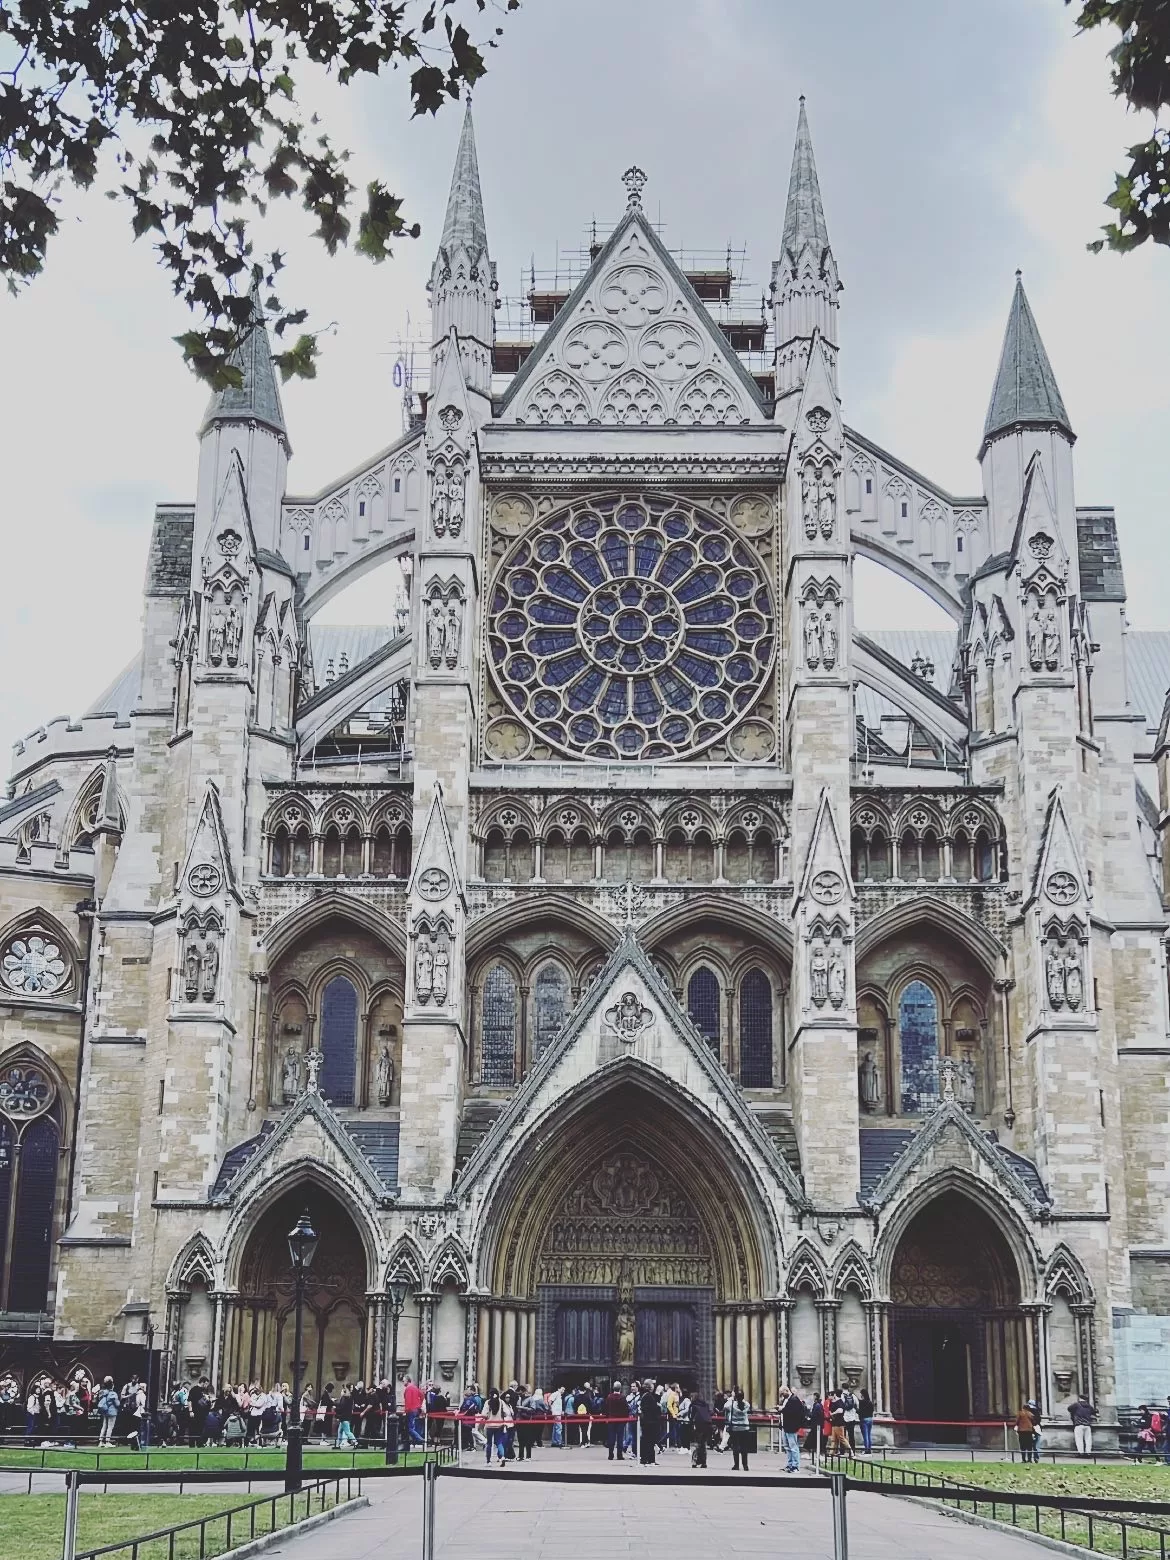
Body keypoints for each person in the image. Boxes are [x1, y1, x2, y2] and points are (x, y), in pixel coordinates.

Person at [477, 1389, 512, 1466]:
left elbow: (484, 1414)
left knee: (489, 1444)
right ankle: (502, 1457)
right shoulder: (501, 1402)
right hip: (499, 1425)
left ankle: (488, 1461)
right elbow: (507, 1413)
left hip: (489, 1425)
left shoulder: (488, 1402)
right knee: (499, 1442)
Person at [780, 1386, 807, 1473]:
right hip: (785, 1425)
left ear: (786, 1390)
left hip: (791, 1426)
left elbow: (795, 1413)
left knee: (793, 1446)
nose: (782, 1395)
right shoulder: (786, 1400)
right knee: (787, 1446)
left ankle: (795, 1466)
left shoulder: (794, 1400)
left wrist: (782, 1409)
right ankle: (790, 1464)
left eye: (782, 1393)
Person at [727, 1387, 752, 1471]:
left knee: (735, 1447)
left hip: (735, 1428)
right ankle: (745, 1465)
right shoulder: (747, 1404)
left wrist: (732, 1397)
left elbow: (725, 1406)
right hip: (744, 1427)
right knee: (744, 1447)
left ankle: (736, 1465)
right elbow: (744, 1402)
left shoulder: (732, 1404)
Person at [604, 1381, 628, 1460]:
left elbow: (606, 1408)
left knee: (611, 1437)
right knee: (620, 1438)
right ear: (620, 1388)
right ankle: (619, 1455)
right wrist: (625, 1419)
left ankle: (610, 1455)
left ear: (613, 1388)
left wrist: (607, 1418)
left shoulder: (609, 1397)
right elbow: (626, 1409)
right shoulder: (623, 1397)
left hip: (611, 1419)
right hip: (621, 1420)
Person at [639, 1379, 660, 1465]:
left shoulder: (646, 1395)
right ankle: (646, 1459)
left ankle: (650, 1459)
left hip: (647, 1421)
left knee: (649, 1441)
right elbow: (652, 1409)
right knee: (648, 1441)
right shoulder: (648, 1396)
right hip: (649, 1422)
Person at [402, 1377, 425, 1446]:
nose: (403, 1382)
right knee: (413, 1426)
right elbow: (422, 1396)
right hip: (416, 1409)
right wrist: (419, 1404)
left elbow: (408, 1401)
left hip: (410, 1410)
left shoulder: (408, 1388)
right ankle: (415, 1441)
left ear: (407, 1381)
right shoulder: (415, 1387)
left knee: (410, 1428)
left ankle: (420, 1439)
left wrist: (406, 1410)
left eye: (404, 1381)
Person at [97, 1377, 120, 1446]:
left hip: (105, 1411)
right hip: (112, 1412)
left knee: (104, 1426)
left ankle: (100, 1441)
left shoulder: (102, 1392)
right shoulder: (113, 1394)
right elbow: (117, 1404)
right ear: (112, 1386)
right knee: (110, 1427)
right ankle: (107, 1442)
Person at [335, 1384, 358, 1448]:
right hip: (346, 1416)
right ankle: (337, 1445)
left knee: (347, 1432)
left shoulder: (346, 1397)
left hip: (344, 1417)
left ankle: (355, 1442)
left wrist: (336, 1409)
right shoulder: (350, 1397)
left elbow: (341, 1406)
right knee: (340, 1431)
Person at [857, 1387, 874, 1454]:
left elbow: (860, 1411)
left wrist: (857, 1411)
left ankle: (866, 1449)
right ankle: (869, 1449)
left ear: (862, 1395)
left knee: (865, 1435)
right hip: (870, 1419)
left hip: (864, 1419)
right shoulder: (870, 1402)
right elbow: (872, 1410)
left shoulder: (861, 1402)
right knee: (869, 1435)